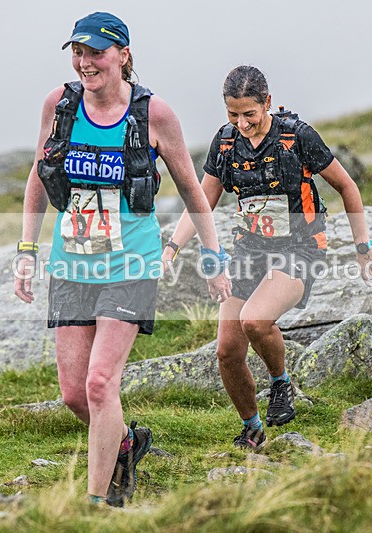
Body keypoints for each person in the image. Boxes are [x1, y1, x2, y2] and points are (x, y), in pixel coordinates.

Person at [13, 12, 231, 507]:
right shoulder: (59, 104)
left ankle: (97, 501)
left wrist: (213, 254)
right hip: (72, 263)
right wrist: (26, 250)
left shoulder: (154, 115)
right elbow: (37, 177)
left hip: (131, 264)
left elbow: (193, 190)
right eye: (78, 52)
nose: (85, 62)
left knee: (99, 382)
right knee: (73, 394)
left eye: (96, 52)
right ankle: (126, 445)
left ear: (123, 55)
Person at [162, 65, 372, 450]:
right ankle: (252, 427)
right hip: (251, 250)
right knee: (227, 351)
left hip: (301, 249)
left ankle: (281, 383)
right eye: (233, 115)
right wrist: (172, 247)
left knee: (255, 319)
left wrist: (362, 246)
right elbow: (201, 201)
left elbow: (347, 186)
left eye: (249, 113)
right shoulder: (227, 143)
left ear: (267, 102)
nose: (242, 123)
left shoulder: (297, 137)